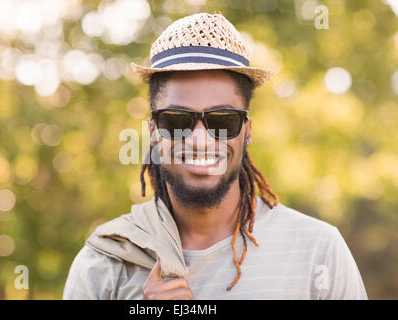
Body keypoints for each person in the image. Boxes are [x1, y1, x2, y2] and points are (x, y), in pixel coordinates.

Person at [63, 12, 367, 300]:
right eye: (177, 120)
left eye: (223, 120)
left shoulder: (318, 251)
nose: (199, 139)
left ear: (247, 131)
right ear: (154, 131)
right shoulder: (104, 263)